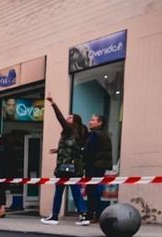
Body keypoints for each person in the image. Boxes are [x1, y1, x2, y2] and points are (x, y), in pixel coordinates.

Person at [41, 94, 89, 225]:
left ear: (74, 121)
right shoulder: (79, 132)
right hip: (75, 166)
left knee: (59, 190)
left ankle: (54, 216)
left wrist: (53, 103)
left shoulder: (69, 130)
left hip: (66, 166)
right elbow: (74, 148)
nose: (67, 119)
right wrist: (58, 150)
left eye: (70, 117)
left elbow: (60, 118)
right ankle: (83, 215)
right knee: (75, 190)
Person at [83, 114, 113, 222]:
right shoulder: (102, 134)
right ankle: (96, 213)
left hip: (94, 166)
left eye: (93, 120)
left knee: (92, 190)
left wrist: (84, 158)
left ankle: (94, 214)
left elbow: (90, 151)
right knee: (93, 190)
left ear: (100, 123)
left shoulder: (96, 135)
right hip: (99, 165)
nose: (90, 122)